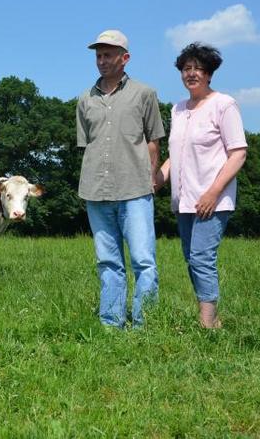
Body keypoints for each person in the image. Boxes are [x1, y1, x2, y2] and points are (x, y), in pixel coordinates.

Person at [77, 30, 165, 329]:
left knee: (143, 261)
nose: (102, 61)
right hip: (95, 191)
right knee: (108, 262)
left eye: (108, 55)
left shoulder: (145, 94)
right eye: (98, 55)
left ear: (124, 58)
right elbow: (87, 144)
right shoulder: (84, 100)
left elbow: (154, 141)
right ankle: (111, 324)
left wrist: (153, 178)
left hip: (135, 189)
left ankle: (145, 324)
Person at [154, 43, 247, 329]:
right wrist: (158, 177)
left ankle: (208, 323)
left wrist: (213, 192)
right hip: (183, 200)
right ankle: (210, 317)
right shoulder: (178, 109)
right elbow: (176, 153)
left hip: (212, 199)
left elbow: (238, 153)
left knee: (202, 258)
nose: (191, 73)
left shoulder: (224, 104)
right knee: (190, 259)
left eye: (198, 68)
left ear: (209, 74)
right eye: (186, 68)